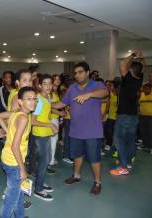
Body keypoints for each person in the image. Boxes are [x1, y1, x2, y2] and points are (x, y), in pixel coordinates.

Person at [52, 61, 108, 195]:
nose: (77, 75)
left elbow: (105, 92)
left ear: (88, 73)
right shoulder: (72, 88)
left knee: (94, 158)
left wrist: (89, 94)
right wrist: (45, 102)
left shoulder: (96, 85)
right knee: (77, 155)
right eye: (76, 73)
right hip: (76, 130)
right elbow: (61, 103)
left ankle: (97, 182)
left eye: (80, 72)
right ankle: (76, 176)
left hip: (92, 131)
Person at [0, 87, 37, 218]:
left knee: (18, 193)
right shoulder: (24, 118)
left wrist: (7, 132)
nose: (33, 102)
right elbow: (15, 146)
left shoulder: (17, 112)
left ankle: (20, 215)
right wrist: (23, 169)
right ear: (20, 101)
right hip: (14, 162)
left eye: (34, 99)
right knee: (11, 200)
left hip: (7, 158)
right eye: (29, 99)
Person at [110, 51, 145, 175]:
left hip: (124, 115)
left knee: (119, 139)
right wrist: (142, 59)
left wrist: (133, 55)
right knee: (130, 139)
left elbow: (122, 64)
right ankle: (128, 162)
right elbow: (142, 67)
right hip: (134, 115)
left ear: (130, 70)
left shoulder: (128, 78)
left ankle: (123, 167)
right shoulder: (139, 78)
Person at [32, 74, 58, 201]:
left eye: (50, 84)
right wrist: (50, 124)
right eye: (45, 84)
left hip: (46, 133)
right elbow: (33, 121)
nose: (48, 86)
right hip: (40, 134)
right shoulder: (39, 99)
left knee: (45, 161)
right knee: (43, 162)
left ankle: (40, 182)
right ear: (40, 85)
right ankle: (38, 189)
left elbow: (46, 115)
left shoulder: (47, 98)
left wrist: (51, 127)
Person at [139, 83, 152, 154]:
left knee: (151, 132)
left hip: (151, 117)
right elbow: (139, 105)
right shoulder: (142, 95)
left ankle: (151, 147)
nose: (145, 90)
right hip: (142, 116)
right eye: (144, 88)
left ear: (151, 89)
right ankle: (146, 145)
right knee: (143, 132)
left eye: (147, 88)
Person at [104, 80, 118, 151]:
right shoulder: (108, 94)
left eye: (110, 85)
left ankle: (116, 145)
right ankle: (108, 143)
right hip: (109, 116)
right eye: (107, 85)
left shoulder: (118, 94)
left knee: (116, 133)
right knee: (108, 131)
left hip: (117, 117)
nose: (108, 86)